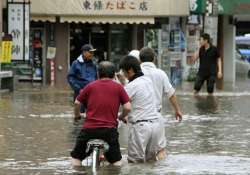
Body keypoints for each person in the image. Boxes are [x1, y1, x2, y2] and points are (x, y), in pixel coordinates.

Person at [71, 61, 131, 167]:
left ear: (98, 74)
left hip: (89, 130)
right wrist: (121, 117)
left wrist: (77, 115)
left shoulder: (90, 86)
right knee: (116, 162)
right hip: (109, 131)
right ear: (114, 75)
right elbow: (127, 107)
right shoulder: (119, 87)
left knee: (77, 158)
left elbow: (77, 103)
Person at [119, 55, 170, 163]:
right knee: (150, 162)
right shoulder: (147, 80)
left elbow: (123, 104)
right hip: (155, 126)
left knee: (135, 164)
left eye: (124, 71)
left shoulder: (131, 86)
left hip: (141, 128)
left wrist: (121, 116)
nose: (123, 74)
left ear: (131, 70)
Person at [139, 47, 183, 119]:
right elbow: (171, 94)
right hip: (156, 117)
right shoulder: (161, 73)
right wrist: (177, 110)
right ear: (154, 59)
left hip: (139, 117)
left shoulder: (135, 74)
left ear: (140, 60)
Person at [67, 44, 97, 114]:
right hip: (80, 93)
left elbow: (96, 77)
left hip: (92, 93)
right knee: (79, 114)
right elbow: (70, 78)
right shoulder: (76, 63)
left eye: (93, 52)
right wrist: (79, 89)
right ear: (84, 52)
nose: (92, 54)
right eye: (90, 52)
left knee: (92, 113)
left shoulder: (94, 64)